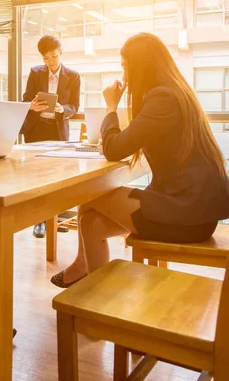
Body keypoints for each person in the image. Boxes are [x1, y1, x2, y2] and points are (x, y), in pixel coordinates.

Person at [51, 32, 229, 288]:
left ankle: (83, 271)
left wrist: (111, 107)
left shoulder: (163, 98)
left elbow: (114, 149)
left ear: (140, 65)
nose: (124, 76)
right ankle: (98, 297)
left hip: (188, 215)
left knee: (89, 198)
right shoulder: (172, 93)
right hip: (190, 208)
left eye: (125, 67)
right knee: (90, 221)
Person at [21, 35, 80, 238]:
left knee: (57, 176)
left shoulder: (73, 76)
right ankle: (39, 221)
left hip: (57, 130)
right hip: (36, 128)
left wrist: (61, 109)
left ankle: (53, 218)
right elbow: (26, 98)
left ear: (60, 52)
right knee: (37, 175)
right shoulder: (35, 72)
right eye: (46, 58)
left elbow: (74, 106)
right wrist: (32, 106)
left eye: (53, 56)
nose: (50, 62)